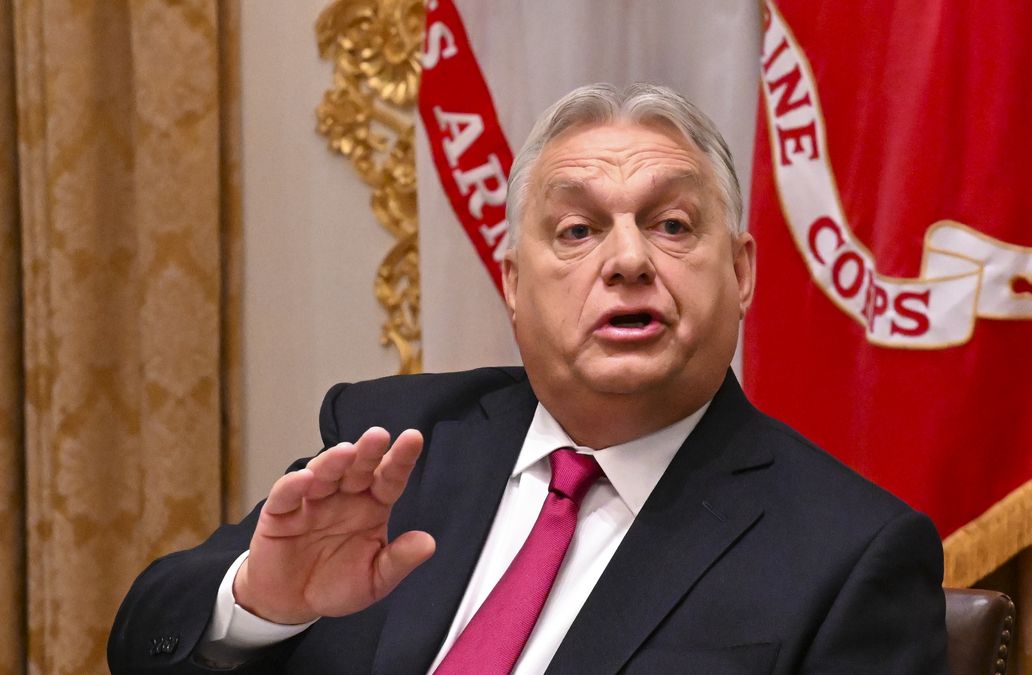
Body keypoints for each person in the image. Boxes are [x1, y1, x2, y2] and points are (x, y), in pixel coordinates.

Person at [109, 83, 949, 674]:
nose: (628, 260)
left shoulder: (848, 556)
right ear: (513, 282)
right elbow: (143, 637)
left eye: (672, 224)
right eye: (578, 229)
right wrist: (260, 604)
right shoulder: (397, 443)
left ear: (742, 272)